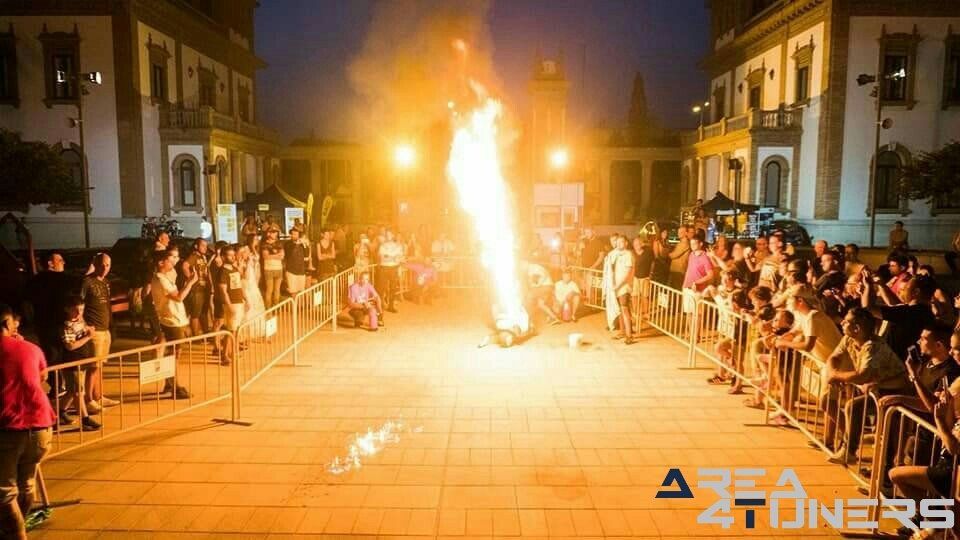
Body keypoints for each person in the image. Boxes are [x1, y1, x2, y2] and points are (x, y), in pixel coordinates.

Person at [826, 308, 913, 465]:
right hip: (878, 389)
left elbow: (862, 376)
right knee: (855, 408)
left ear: (857, 328)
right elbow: (833, 357)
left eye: (846, 321)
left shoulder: (874, 346)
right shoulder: (849, 339)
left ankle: (879, 477)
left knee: (888, 437)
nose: (842, 323)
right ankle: (852, 451)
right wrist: (833, 372)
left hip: (895, 391)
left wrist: (835, 376)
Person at [0, 304, 56, 540]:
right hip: (41, 424)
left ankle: (17, 533)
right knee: (26, 483)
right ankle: (16, 528)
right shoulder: (30, 348)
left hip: (8, 428)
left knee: (4, 490)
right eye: (14, 321)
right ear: (7, 324)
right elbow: (42, 376)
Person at [80, 253, 119, 412]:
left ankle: (98, 396)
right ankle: (88, 399)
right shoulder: (87, 282)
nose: (105, 268)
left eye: (108, 265)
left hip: (105, 329)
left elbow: (107, 306)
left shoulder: (106, 283)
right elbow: (79, 304)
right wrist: (85, 326)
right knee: (93, 366)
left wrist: (111, 326)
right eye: (102, 264)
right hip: (94, 330)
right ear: (95, 264)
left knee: (100, 365)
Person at [57, 295, 100, 431]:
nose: (79, 313)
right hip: (72, 362)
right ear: (67, 310)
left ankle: (60, 412)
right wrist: (88, 337)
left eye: (81, 310)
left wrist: (88, 330)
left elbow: (85, 330)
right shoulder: (66, 326)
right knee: (78, 392)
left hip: (82, 360)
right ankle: (85, 419)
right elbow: (70, 346)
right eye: (75, 310)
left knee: (73, 390)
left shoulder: (80, 320)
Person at [28, 252, 72, 370]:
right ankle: (60, 384)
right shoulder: (62, 279)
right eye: (60, 260)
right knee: (61, 355)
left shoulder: (35, 280)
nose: (64, 263)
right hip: (58, 324)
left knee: (51, 355)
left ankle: (56, 384)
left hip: (43, 325)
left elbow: (28, 302)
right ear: (50, 263)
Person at [216, 245, 247, 365]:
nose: (233, 257)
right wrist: (229, 305)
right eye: (230, 255)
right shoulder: (223, 271)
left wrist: (245, 299)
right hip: (232, 303)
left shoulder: (233, 269)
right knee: (231, 330)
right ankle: (226, 355)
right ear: (223, 256)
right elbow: (223, 290)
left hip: (238, 301)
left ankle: (229, 354)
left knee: (234, 329)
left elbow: (239, 285)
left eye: (233, 254)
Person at [184, 238, 212, 337]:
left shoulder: (202, 257)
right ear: (196, 246)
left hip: (203, 288)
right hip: (196, 289)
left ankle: (205, 332)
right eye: (203, 245)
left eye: (206, 245)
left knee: (202, 312)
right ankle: (196, 336)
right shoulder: (194, 256)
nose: (205, 247)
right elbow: (185, 265)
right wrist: (191, 280)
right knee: (195, 313)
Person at [611, 235, 636, 344]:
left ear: (626, 243)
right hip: (617, 287)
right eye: (618, 242)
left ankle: (629, 335)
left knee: (625, 309)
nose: (619, 244)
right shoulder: (616, 254)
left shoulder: (628, 255)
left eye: (622, 242)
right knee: (620, 310)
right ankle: (622, 332)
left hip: (624, 287)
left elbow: (627, 274)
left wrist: (618, 286)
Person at [378, 230, 404, 313]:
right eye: (386, 235)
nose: (388, 236)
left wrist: (388, 256)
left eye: (389, 234)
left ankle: (391, 306)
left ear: (393, 235)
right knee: (381, 287)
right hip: (384, 267)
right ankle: (380, 305)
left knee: (393, 288)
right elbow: (382, 257)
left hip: (394, 268)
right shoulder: (382, 246)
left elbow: (399, 258)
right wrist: (393, 257)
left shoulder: (398, 246)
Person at [261, 228, 284, 307]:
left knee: (277, 290)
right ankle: (269, 308)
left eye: (276, 232)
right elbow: (265, 256)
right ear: (268, 233)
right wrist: (277, 255)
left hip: (278, 268)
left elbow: (282, 256)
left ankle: (276, 307)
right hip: (269, 269)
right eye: (273, 232)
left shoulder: (279, 243)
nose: (275, 234)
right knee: (269, 290)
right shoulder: (264, 244)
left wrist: (272, 256)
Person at [284, 227, 308, 297]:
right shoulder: (288, 244)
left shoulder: (301, 244)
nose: (295, 236)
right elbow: (289, 255)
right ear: (291, 235)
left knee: (301, 292)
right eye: (293, 234)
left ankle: (300, 307)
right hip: (291, 271)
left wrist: (305, 245)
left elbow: (306, 255)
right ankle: (294, 307)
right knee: (293, 292)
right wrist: (297, 245)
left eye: (296, 234)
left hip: (301, 271)